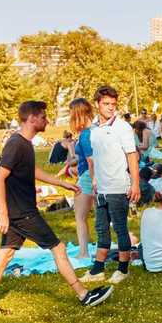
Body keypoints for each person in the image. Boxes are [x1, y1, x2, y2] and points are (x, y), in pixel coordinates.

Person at [0, 101, 113, 319]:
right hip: (22, 212)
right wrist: (3, 213)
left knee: (5, 255)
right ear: (31, 119)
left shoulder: (24, 143)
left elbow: (32, 171)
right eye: (43, 117)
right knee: (58, 248)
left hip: (19, 211)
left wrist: (62, 183)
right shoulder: (16, 144)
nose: (46, 120)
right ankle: (84, 294)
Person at [82, 85, 139, 285]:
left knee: (120, 228)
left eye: (113, 104)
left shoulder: (122, 127)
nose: (110, 107)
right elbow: (95, 158)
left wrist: (135, 184)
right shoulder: (93, 129)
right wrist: (94, 179)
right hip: (101, 188)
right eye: (106, 104)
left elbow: (132, 156)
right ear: (97, 104)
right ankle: (98, 269)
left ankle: (123, 269)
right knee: (101, 229)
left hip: (118, 186)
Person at [68, 98, 96, 259]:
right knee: (103, 216)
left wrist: (94, 181)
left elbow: (91, 161)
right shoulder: (96, 130)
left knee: (80, 217)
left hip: (88, 176)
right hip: (94, 174)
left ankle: (83, 252)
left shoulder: (86, 135)